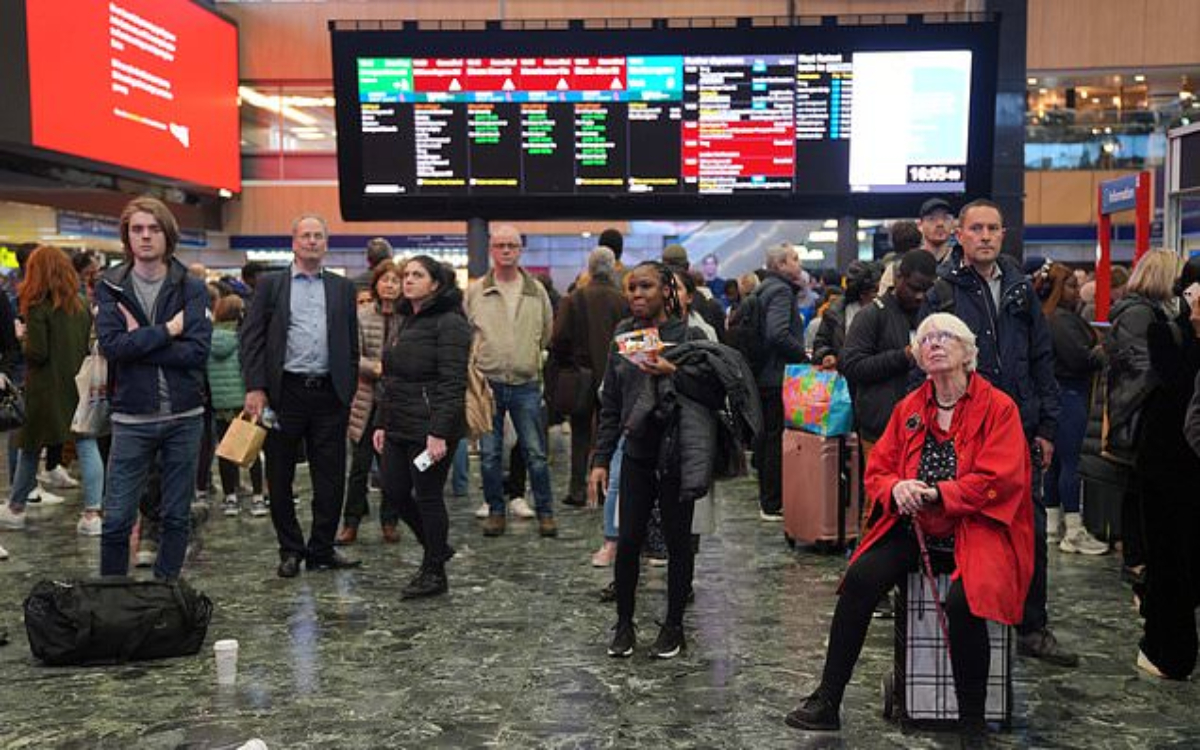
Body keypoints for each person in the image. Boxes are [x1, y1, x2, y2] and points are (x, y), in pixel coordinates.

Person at [786, 313, 1033, 743]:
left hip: (978, 527)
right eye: (926, 339)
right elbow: (878, 470)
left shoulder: (999, 407)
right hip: (915, 526)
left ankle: (972, 725)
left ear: (967, 352)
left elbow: (1000, 480)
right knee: (859, 580)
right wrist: (896, 487)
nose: (934, 344)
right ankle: (827, 700)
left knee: (965, 603)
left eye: (946, 337)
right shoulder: (910, 407)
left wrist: (940, 493)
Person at [920, 198, 1072, 667]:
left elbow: (1042, 360)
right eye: (976, 228)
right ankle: (975, 617)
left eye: (993, 228)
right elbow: (928, 365)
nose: (985, 236)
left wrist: (1047, 426)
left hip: (1020, 427)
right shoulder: (941, 293)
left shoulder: (1022, 289)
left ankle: (1032, 624)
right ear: (959, 236)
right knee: (970, 527)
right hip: (967, 428)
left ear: (1003, 235)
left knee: (1031, 527)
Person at [590, 262, 704, 659]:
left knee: (678, 542)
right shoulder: (624, 336)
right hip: (636, 451)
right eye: (632, 287)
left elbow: (711, 390)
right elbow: (611, 403)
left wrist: (674, 370)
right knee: (628, 540)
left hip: (677, 452)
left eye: (646, 287)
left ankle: (674, 626)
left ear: (666, 291)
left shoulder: (688, 335)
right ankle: (623, 625)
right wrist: (601, 458)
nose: (636, 294)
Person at [94, 197, 212, 581]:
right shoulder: (111, 286)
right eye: (137, 229)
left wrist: (139, 342)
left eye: (153, 229)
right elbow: (112, 348)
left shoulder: (190, 287)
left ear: (167, 234)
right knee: (116, 520)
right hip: (131, 417)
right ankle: (112, 599)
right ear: (127, 237)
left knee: (176, 517)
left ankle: (165, 597)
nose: (145, 237)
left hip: (184, 416)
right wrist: (167, 331)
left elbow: (197, 352)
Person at [241, 214, 361, 578]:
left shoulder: (342, 288)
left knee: (331, 476)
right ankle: (290, 548)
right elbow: (253, 339)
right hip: (284, 393)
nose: (311, 241)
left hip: (330, 393)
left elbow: (350, 342)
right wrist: (256, 387)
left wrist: (349, 386)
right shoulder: (271, 286)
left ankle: (322, 548)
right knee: (279, 474)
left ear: (326, 244)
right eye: (305, 236)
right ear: (293, 243)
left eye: (318, 236)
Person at [372, 255, 471, 598]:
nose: (408, 280)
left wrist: (439, 432)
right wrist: (382, 422)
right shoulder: (406, 319)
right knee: (394, 490)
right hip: (398, 423)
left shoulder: (450, 323)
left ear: (436, 284)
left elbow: (452, 382)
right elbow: (392, 378)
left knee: (428, 496)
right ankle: (437, 547)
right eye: (406, 275)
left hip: (431, 428)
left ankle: (434, 572)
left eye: (418, 275)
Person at [466, 224, 557, 538]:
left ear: (520, 250)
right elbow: (469, 332)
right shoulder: (475, 291)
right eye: (500, 245)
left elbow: (546, 333)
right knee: (489, 455)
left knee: (535, 453)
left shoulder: (536, 291)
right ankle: (495, 511)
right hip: (487, 384)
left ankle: (546, 511)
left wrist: (527, 357)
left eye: (512, 246)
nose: (506, 251)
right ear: (491, 249)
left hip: (525, 382)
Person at [1134, 255, 1200, 680]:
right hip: (1167, 460)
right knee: (1169, 557)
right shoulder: (1165, 331)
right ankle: (1167, 650)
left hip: (1180, 456)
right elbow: (1176, 383)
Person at [0, 247, 91, 533]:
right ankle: (93, 513)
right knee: (86, 445)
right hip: (77, 386)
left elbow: (37, 353)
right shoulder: (82, 305)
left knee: (28, 446)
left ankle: (16, 506)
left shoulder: (38, 307)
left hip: (43, 388)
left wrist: (22, 337)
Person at [1103, 250, 1177, 584]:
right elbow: (1142, 367)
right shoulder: (1141, 314)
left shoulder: (1146, 311)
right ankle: (1135, 559)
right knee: (1138, 490)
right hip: (1139, 413)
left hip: (1140, 410)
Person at [548, 247, 627, 513]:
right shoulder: (623, 301)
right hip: (615, 377)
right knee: (611, 434)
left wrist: (570, 363)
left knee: (580, 435)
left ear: (589, 269)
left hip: (582, 376)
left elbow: (557, 339)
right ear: (613, 267)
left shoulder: (574, 299)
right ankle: (608, 488)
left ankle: (577, 489)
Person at [841, 250, 938, 465]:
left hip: (928, 428)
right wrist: (903, 356)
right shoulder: (871, 315)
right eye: (914, 288)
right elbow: (852, 366)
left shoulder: (933, 315)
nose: (920, 295)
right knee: (880, 497)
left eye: (926, 289)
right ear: (898, 279)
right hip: (881, 429)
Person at [1041, 263, 1109, 554]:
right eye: (1069, 285)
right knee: (1070, 462)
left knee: (1055, 463)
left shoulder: (1048, 318)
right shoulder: (1060, 320)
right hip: (1069, 395)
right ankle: (1074, 530)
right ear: (1058, 288)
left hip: (1058, 395)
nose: (1076, 291)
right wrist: (1105, 350)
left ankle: (1052, 525)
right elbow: (1080, 358)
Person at [338, 261, 402, 545]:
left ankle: (390, 521)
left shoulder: (407, 317)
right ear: (376, 284)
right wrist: (375, 368)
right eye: (385, 280)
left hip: (396, 403)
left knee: (391, 469)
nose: (390, 285)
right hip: (365, 400)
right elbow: (352, 355)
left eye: (395, 280)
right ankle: (351, 523)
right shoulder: (362, 315)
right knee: (359, 467)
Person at [754, 242, 809, 521]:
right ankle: (772, 502)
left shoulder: (763, 288)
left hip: (764, 373)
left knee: (768, 437)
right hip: (777, 374)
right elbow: (777, 334)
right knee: (775, 439)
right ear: (780, 265)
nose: (799, 264)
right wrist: (803, 353)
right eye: (795, 259)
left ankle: (768, 498)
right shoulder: (780, 291)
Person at [206, 295, 266, 518]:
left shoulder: (208, 339)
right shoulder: (244, 338)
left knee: (225, 450)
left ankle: (230, 498)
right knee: (251, 448)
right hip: (244, 402)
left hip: (220, 403)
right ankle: (258, 497)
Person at [812, 261, 881, 370]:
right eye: (874, 291)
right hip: (842, 377)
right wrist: (827, 355)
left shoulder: (885, 310)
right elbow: (821, 342)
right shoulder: (835, 311)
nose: (879, 294)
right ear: (861, 292)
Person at [918, 197, 956, 263]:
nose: (940, 224)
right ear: (920, 226)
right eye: (932, 218)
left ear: (953, 225)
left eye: (946, 218)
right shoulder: (912, 262)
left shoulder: (962, 262)